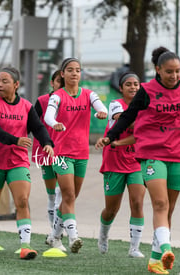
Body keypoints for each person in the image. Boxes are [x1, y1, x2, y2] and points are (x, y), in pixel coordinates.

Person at [97, 47, 180, 275]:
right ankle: (165, 248)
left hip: (179, 155)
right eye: (169, 72)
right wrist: (111, 136)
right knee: (160, 204)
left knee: (170, 208)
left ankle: (155, 261)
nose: (174, 76)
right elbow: (128, 116)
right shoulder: (146, 91)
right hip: (152, 154)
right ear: (158, 70)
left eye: (177, 71)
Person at [0, 67, 54, 260]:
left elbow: (38, 127)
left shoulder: (26, 106)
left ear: (16, 85)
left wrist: (47, 143)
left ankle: (25, 246)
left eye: (5, 81)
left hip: (17, 161)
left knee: (22, 200)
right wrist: (16, 140)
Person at [44, 57, 108, 253]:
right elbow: (48, 115)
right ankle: (73, 237)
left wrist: (101, 113)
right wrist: (54, 122)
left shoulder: (89, 94)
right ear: (62, 74)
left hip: (81, 153)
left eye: (78, 70)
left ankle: (55, 236)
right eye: (70, 70)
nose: (74, 73)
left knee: (71, 198)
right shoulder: (57, 96)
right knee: (68, 194)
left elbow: (102, 107)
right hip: (61, 153)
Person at [95, 72, 146, 258]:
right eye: (129, 84)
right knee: (111, 209)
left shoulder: (145, 107)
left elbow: (139, 134)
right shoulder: (115, 104)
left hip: (136, 162)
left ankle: (134, 247)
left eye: (136, 84)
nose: (133, 87)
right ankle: (103, 235)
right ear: (121, 88)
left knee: (138, 202)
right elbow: (127, 123)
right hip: (114, 161)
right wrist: (144, 122)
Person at [31, 70, 63, 246]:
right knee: (52, 195)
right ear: (52, 82)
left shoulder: (72, 100)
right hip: (46, 152)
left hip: (66, 152)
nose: (61, 85)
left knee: (63, 193)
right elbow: (32, 124)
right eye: (59, 81)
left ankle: (56, 234)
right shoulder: (43, 101)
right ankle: (54, 232)